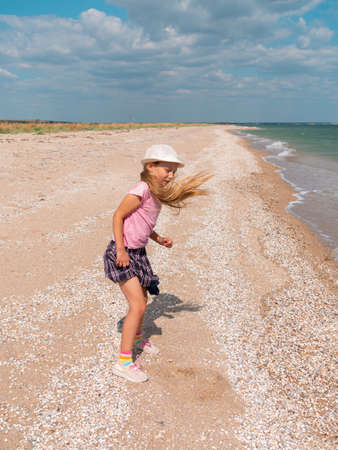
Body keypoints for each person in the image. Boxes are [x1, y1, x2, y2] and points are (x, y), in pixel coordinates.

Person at [104, 144, 211, 382]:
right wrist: (121, 250)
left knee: (142, 300)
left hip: (138, 253)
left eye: (174, 171)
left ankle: (139, 339)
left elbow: (143, 222)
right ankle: (123, 363)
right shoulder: (141, 189)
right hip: (122, 253)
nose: (171, 175)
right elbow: (118, 216)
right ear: (151, 166)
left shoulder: (156, 196)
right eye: (167, 170)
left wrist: (158, 238)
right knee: (138, 306)